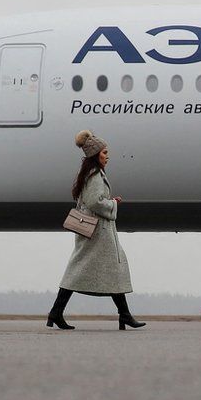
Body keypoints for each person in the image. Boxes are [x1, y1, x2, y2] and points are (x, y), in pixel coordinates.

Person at [49, 130, 145, 331]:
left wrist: (110, 201)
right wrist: (112, 204)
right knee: (99, 269)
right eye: (104, 153)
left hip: (96, 231)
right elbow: (94, 201)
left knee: (105, 270)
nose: (107, 156)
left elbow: (92, 200)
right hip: (97, 231)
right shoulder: (94, 175)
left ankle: (123, 315)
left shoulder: (91, 173)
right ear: (95, 155)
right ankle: (123, 315)